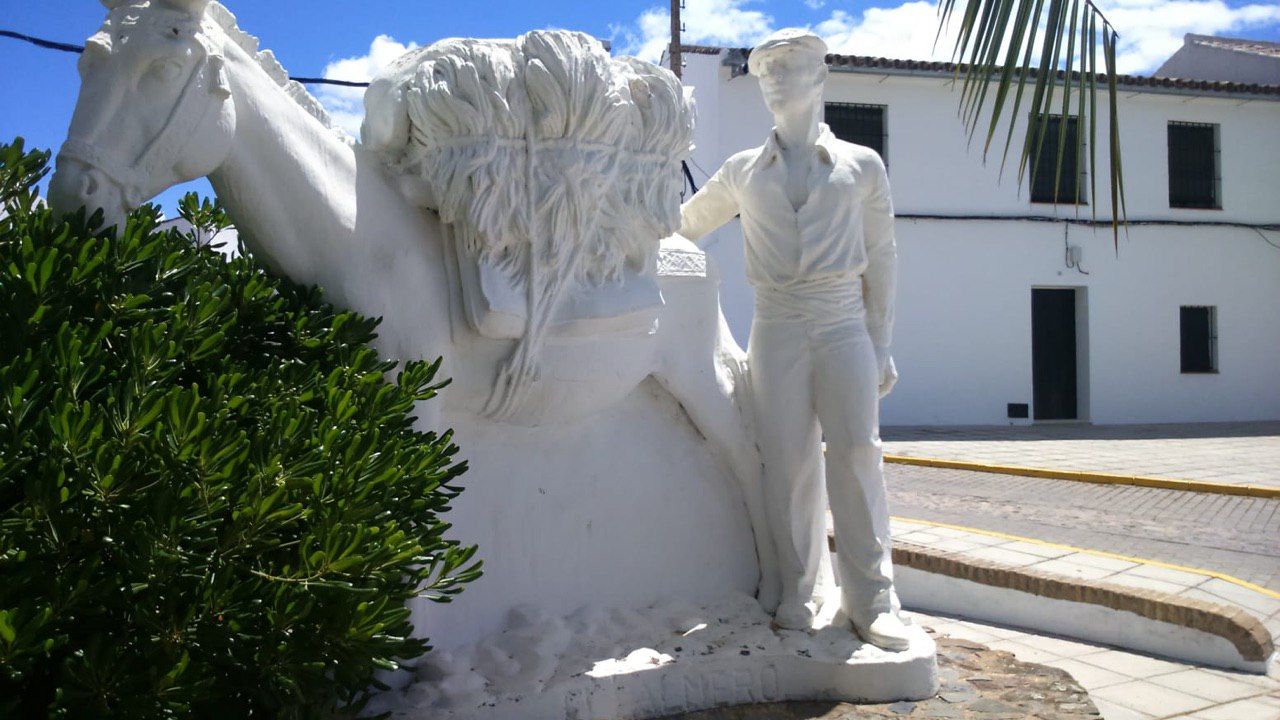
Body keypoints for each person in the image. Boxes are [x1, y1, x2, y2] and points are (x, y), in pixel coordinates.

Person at [677, 28, 910, 651]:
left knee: (858, 455)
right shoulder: (742, 172)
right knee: (787, 462)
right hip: (776, 323)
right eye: (765, 70)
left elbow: (882, 257)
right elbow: (680, 228)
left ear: (820, 76)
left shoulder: (862, 165)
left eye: (790, 65)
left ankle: (873, 600)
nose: (776, 77)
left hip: (842, 323)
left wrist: (881, 343)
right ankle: (804, 590)